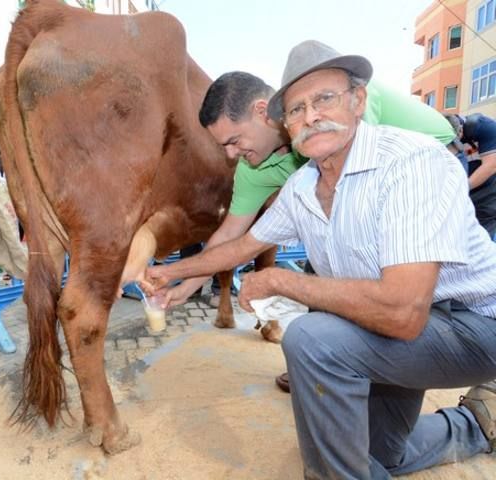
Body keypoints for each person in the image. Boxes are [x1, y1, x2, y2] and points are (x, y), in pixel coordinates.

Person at [146, 39, 496, 478]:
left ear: (358, 101)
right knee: (383, 455)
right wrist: (169, 273)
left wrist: (280, 281)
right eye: (296, 109)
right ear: (285, 124)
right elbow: (240, 244)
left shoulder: (414, 162)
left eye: (324, 99)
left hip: (473, 324)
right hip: (413, 330)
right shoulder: (301, 187)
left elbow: (404, 312)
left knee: (313, 340)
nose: (310, 116)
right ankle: (476, 423)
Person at [156, 44, 456, 393]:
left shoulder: (341, 121)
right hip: (366, 215)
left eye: (234, 140)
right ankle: (332, 363)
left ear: (261, 111)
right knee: (329, 266)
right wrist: (184, 284)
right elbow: (233, 238)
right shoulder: (259, 168)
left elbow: (358, 211)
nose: (230, 154)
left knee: (392, 286)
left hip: (438, 154)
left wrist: (281, 285)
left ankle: (351, 364)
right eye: (223, 146)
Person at [445, 113, 496, 237]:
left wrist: (461, 188)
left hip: (489, 190)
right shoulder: (441, 137)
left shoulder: (484, 126)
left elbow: (491, 166)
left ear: (460, 130)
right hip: (467, 191)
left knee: (484, 232)